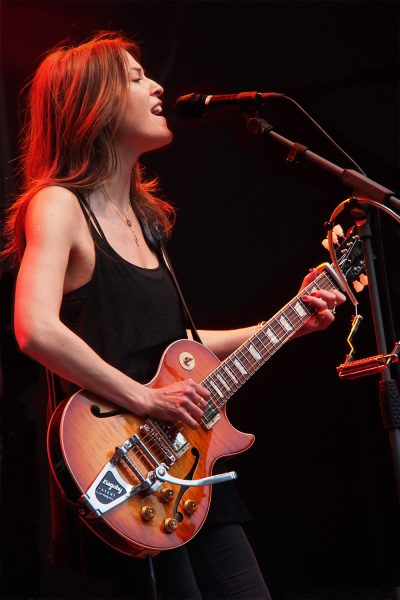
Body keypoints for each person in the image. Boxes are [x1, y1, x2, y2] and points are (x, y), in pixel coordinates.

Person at [3, 31, 345, 599]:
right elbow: (34, 328)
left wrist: (285, 325)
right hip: (120, 461)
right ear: (92, 103)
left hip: (188, 463)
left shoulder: (148, 220)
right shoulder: (58, 205)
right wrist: (144, 399)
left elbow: (178, 343)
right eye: (135, 78)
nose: (157, 85)